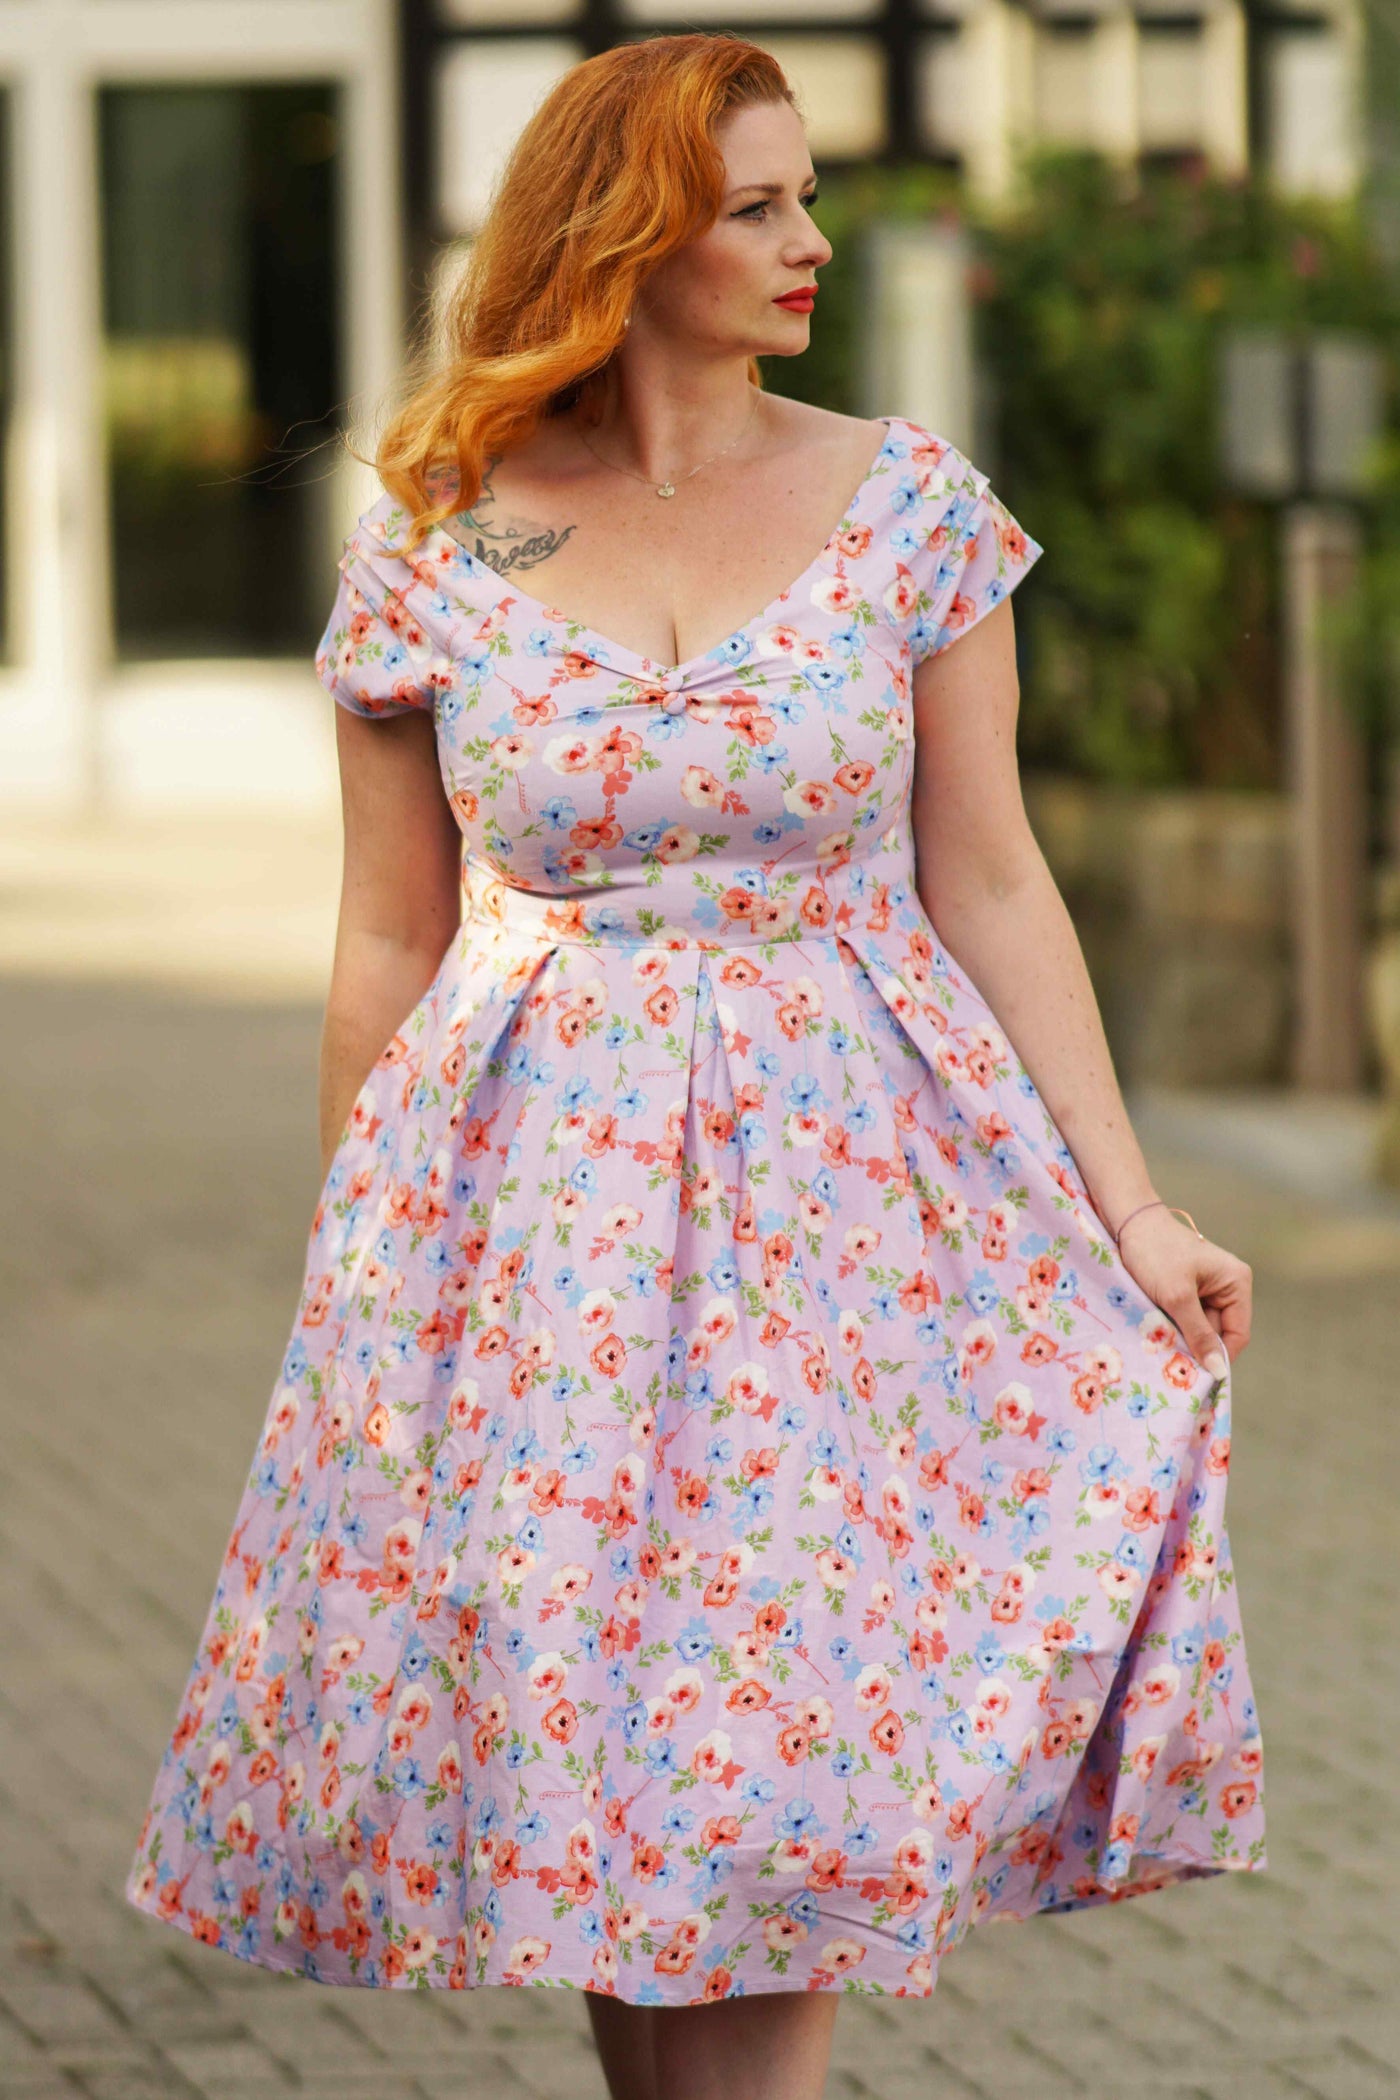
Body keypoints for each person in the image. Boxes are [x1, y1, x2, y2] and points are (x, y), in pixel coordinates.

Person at [124, 32, 1268, 2100]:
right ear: (624, 234)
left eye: (800, 193)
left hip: (862, 1227)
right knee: (616, 1772)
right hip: (542, 1237)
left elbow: (993, 880)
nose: (808, 237)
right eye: (757, 204)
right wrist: (362, 1286)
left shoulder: (908, 505)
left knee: (780, 1769)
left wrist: (1135, 1206)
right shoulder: (447, 541)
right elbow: (387, 933)